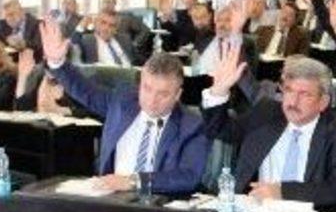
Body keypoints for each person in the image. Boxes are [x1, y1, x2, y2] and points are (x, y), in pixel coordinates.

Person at [40, 19, 209, 195]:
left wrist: (133, 182)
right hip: (110, 198)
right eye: (147, 89)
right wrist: (57, 63)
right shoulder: (123, 102)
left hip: (158, 203)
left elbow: (188, 176)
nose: (152, 100)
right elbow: (86, 91)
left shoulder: (192, 125)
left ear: (177, 95)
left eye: (163, 94)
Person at [202, 49, 336, 207]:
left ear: (323, 102)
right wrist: (219, 92)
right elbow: (220, 130)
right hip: (254, 210)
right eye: (289, 90)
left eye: (305, 94)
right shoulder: (266, 113)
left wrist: (282, 192)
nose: (293, 102)